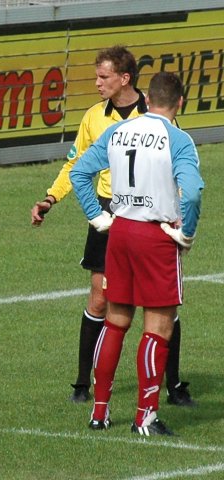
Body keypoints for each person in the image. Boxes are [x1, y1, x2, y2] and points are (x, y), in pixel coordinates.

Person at [30, 45, 194, 406]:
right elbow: (76, 165)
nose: (97, 83)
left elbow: (175, 168)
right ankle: (82, 384)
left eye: (103, 77)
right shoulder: (93, 117)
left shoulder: (157, 115)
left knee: (162, 306)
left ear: (125, 78)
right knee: (102, 298)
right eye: (96, 77)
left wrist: (178, 213)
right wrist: (50, 198)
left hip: (149, 214)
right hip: (109, 214)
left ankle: (174, 385)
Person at [70, 71, 203, 435]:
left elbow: (80, 171)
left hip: (121, 233)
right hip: (156, 236)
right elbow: (190, 194)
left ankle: (99, 412)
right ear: (179, 103)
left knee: (115, 322)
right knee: (158, 327)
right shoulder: (178, 139)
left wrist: (97, 216)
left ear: (146, 98)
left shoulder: (117, 130)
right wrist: (186, 233)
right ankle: (145, 416)